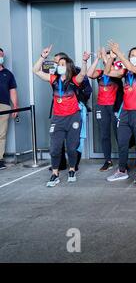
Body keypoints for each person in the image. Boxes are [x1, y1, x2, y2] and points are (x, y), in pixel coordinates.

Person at [33, 45, 89, 187]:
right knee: (55, 148)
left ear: (68, 66)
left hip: (73, 117)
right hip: (58, 119)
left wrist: (84, 61)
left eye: (62, 64)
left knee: (71, 147)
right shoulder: (53, 79)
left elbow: (83, 74)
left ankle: (71, 170)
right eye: (58, 64)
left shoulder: (74, 80)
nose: (59, 66)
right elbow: (35, 71)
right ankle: (55, 173)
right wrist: (42, 56)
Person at [105, 43, 136, 182]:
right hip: (125, 112)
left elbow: (132, 67)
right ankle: (122, 170)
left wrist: (119, 52)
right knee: (122, 142)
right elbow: (107, 72)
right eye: (132, 55)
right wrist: (111, 58)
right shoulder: (125, 73)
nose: (134, 57)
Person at [87, 48, 124, 172]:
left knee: (119, 135)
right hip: (101, 106)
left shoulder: (117, 71)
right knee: (104, 135)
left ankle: (122, 162)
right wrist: (97, 58)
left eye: (110, 57)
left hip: (114, 107)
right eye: (106, 57)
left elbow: (115, 73)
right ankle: (108, 161)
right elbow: (89, 74)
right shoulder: (100, 72)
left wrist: (108, 57)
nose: (106, 59)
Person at [0, 48, 18, 170]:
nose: (0, 57)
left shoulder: (8, 74)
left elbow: (13, 92)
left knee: (1, 134)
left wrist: (15, 107)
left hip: (4, 106)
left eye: (1, 55)